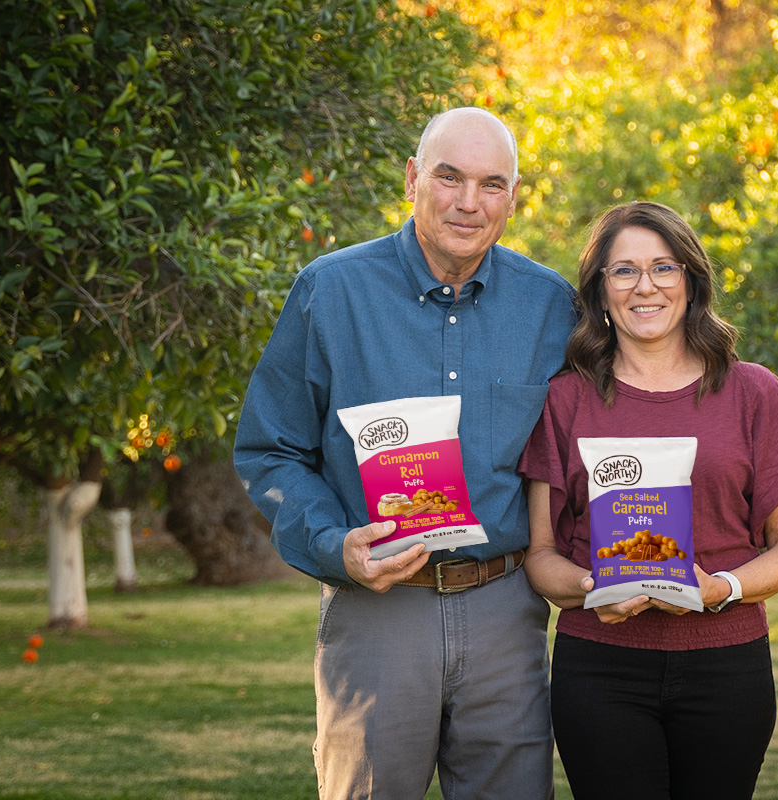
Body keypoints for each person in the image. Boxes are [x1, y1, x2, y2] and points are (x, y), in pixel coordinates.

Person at [233, 107, 576, 800]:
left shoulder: (550, 306)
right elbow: (271, 450)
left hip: (506, 612)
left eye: (491, 184)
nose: (468, 202)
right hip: (377, 611)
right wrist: (336, 545)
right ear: (414, 178)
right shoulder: (330, 292)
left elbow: (583, 449)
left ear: (514, 196)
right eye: (449, 178)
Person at [518, 201, 778, 800]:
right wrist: (594, 588)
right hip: (599, 668)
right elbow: (540, 555)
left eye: (664, 267)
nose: (645, 286)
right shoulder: (565, 400)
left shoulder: (752, 392)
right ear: (600, 294)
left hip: (727, 667)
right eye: (623, 271)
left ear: (692, 281)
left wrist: (721, 590)